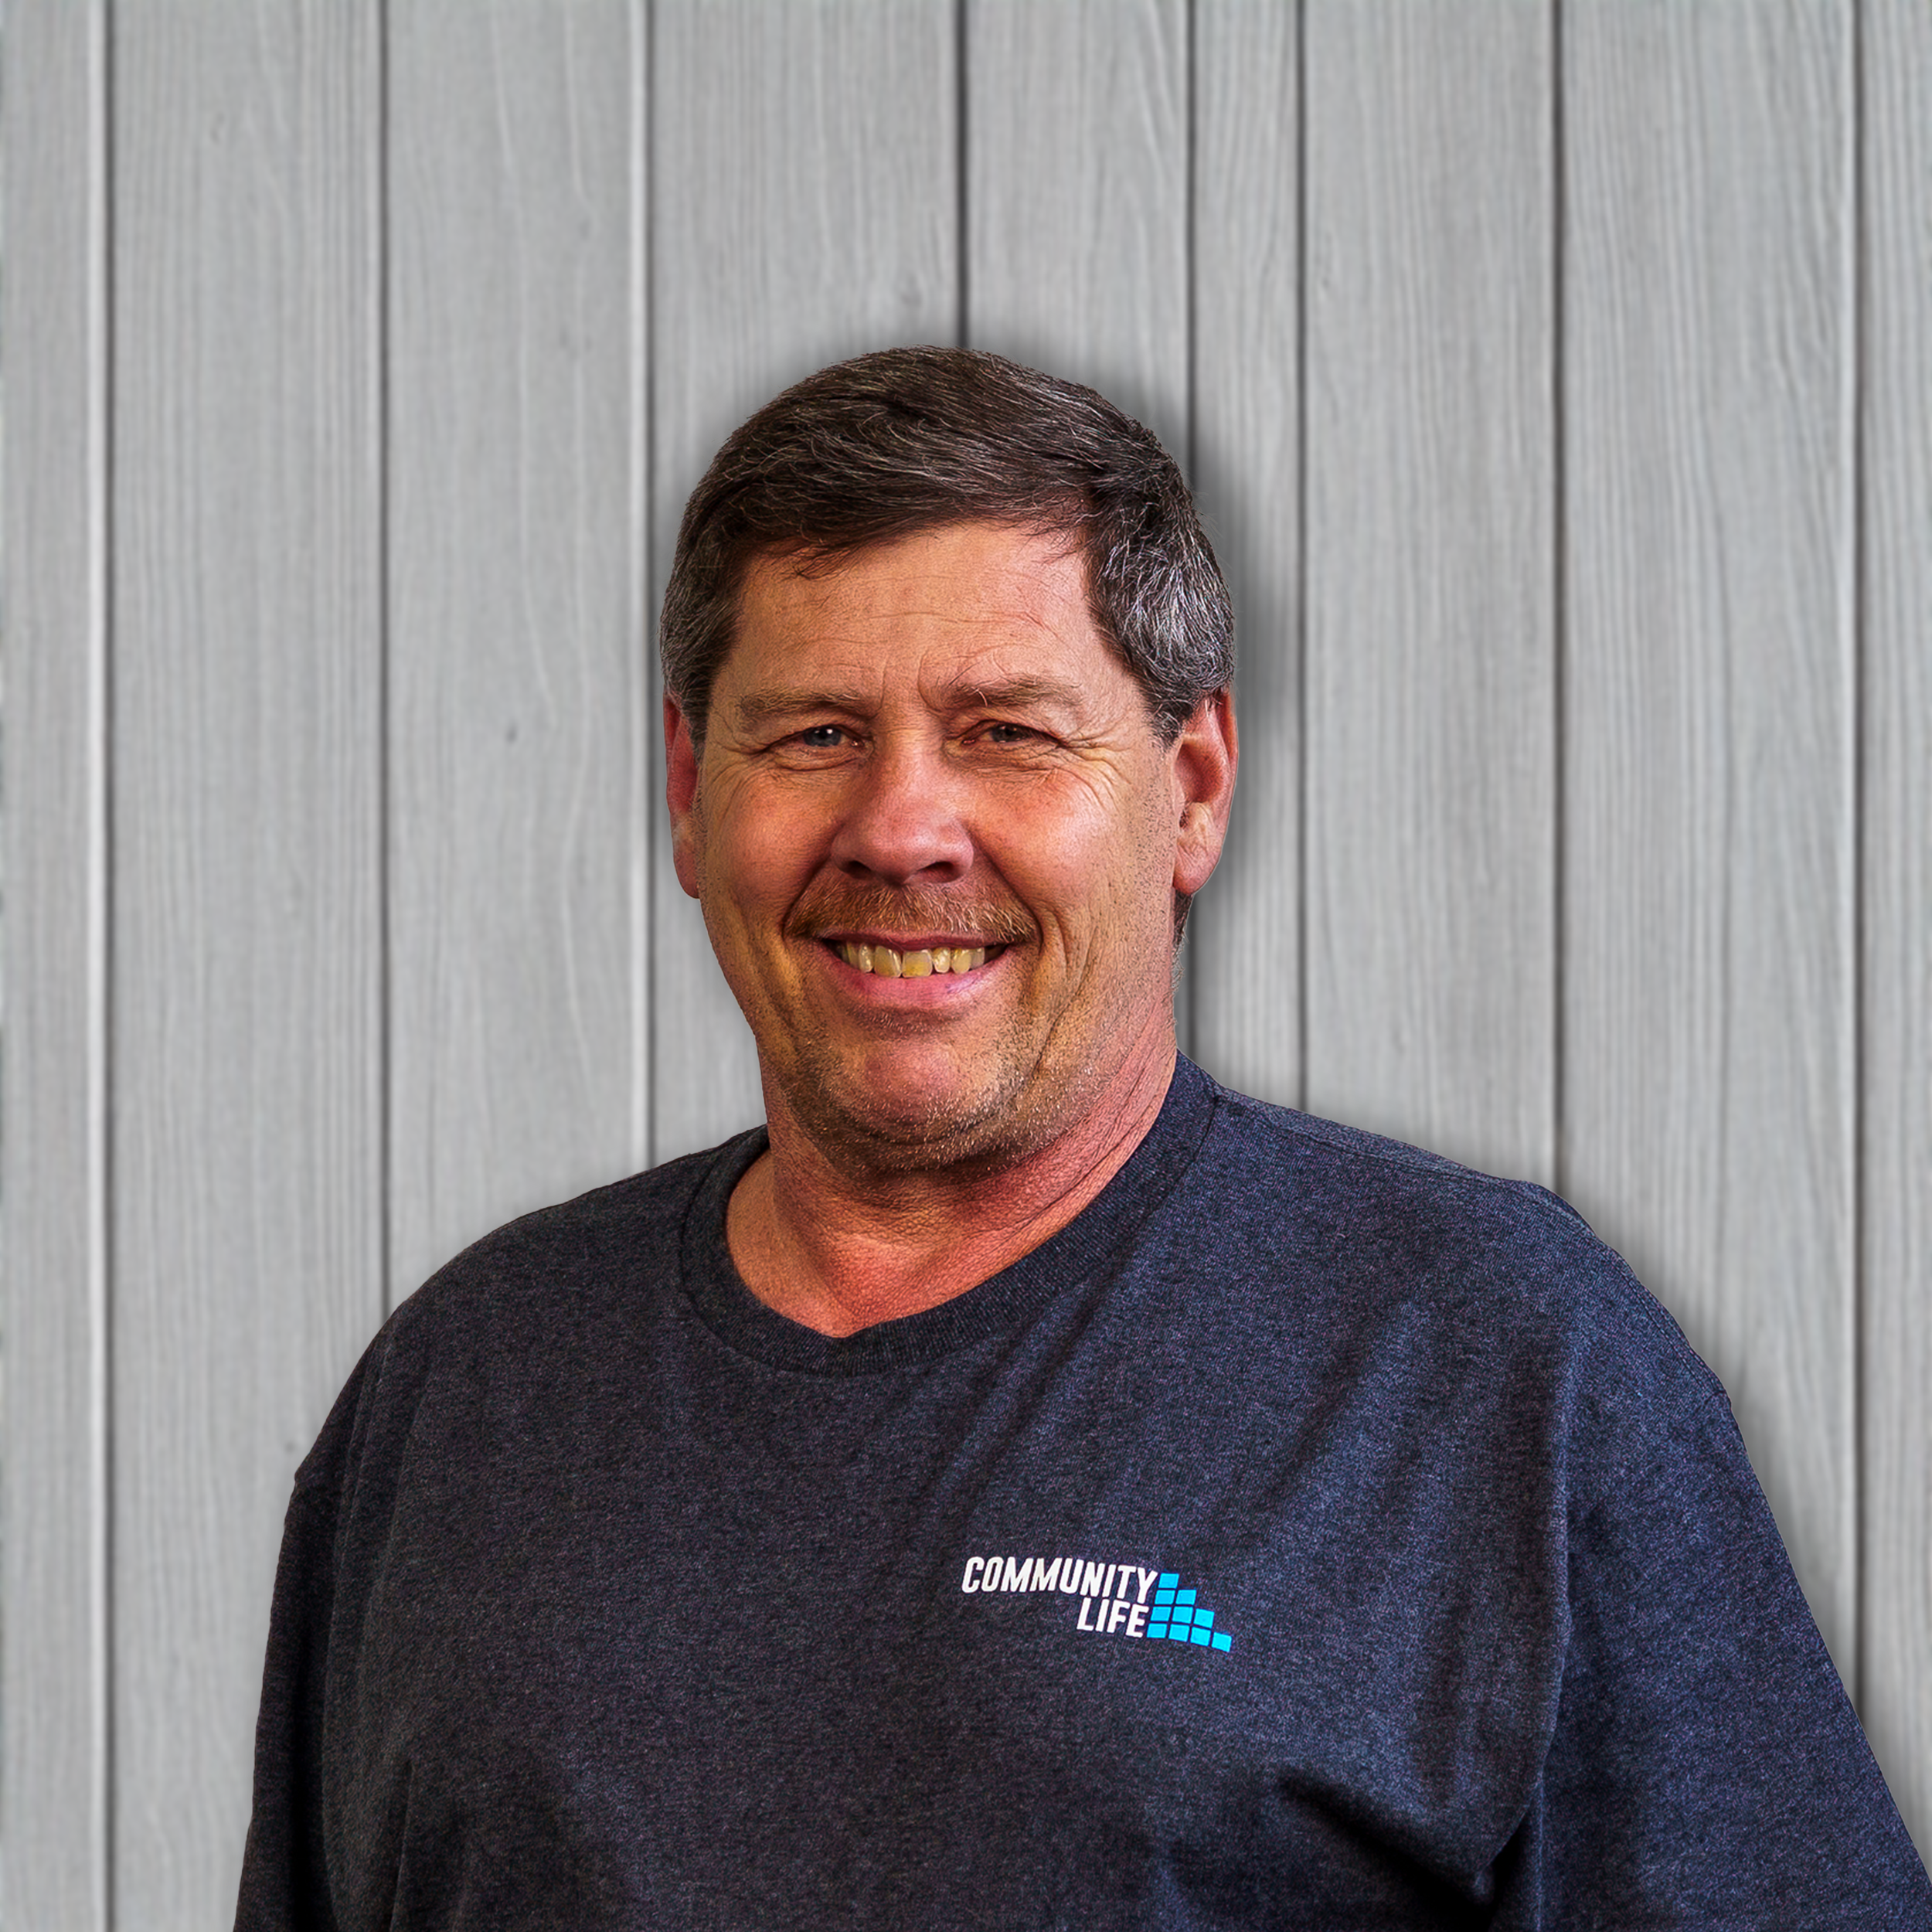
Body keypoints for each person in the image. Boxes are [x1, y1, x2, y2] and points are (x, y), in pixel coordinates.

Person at [235, 348, 1931, 1930]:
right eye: (815, 732)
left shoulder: (1494, 1367)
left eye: (1008, 733)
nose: (901, 826)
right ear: (689, 789)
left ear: (1189, 787)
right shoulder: (464, 1388)